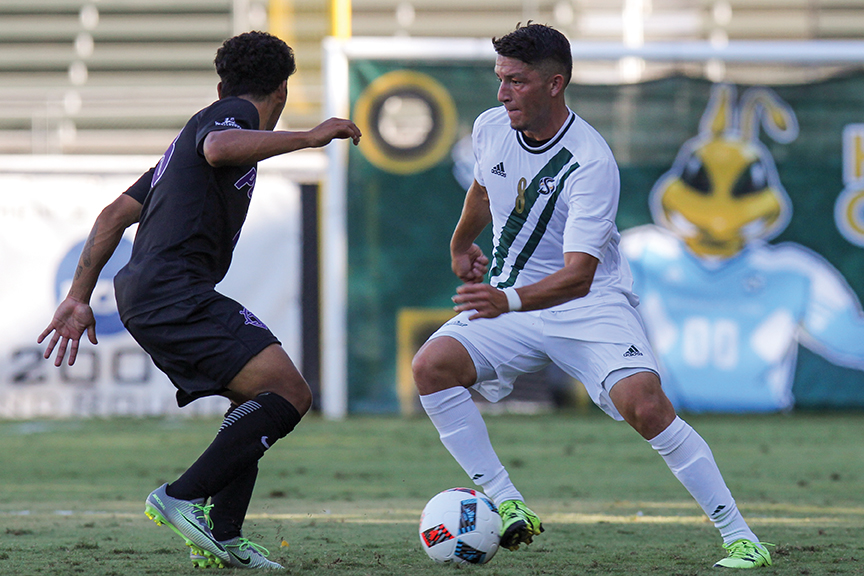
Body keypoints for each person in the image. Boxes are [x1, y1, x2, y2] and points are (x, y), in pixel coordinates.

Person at [411, 23, 771, 569]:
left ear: (555, 84)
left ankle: (741, 537)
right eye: (500, 79)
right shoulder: (490, 127)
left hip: (586, 306)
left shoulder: (591, 161)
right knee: (431, 367)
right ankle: (510, 506)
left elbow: (579, 274)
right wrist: (461, 243)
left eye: (517, 81)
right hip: (510, 298)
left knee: (646, 407)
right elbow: (483, 189)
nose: (503, 93)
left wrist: (504, 302)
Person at [38, 31, 361, 570]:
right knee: (291, 392)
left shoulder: (183, 143)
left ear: (221, 80)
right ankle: (183, 496)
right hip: (172, 291)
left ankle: (224, 534)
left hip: (155, 292)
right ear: (280, 92)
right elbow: (219, 148)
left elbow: (113, 216)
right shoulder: (229, 117)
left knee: (257, 397)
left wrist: (77, 297)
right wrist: (310, 137)